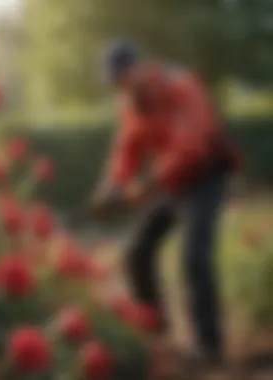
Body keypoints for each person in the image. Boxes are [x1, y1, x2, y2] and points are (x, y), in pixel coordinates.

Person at [90, 41, 242, 378]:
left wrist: (144, 185)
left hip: (204, 176)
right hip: (170, 184)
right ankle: (157, 334)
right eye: (115, 82)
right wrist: (112, 185)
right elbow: (126, 147)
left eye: (124, 78)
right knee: (136, 251)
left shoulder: (181, 85)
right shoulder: (130, 104)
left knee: (194, 257)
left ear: (140, 68)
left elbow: (189, 147)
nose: (121, 87)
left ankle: (210, 347)